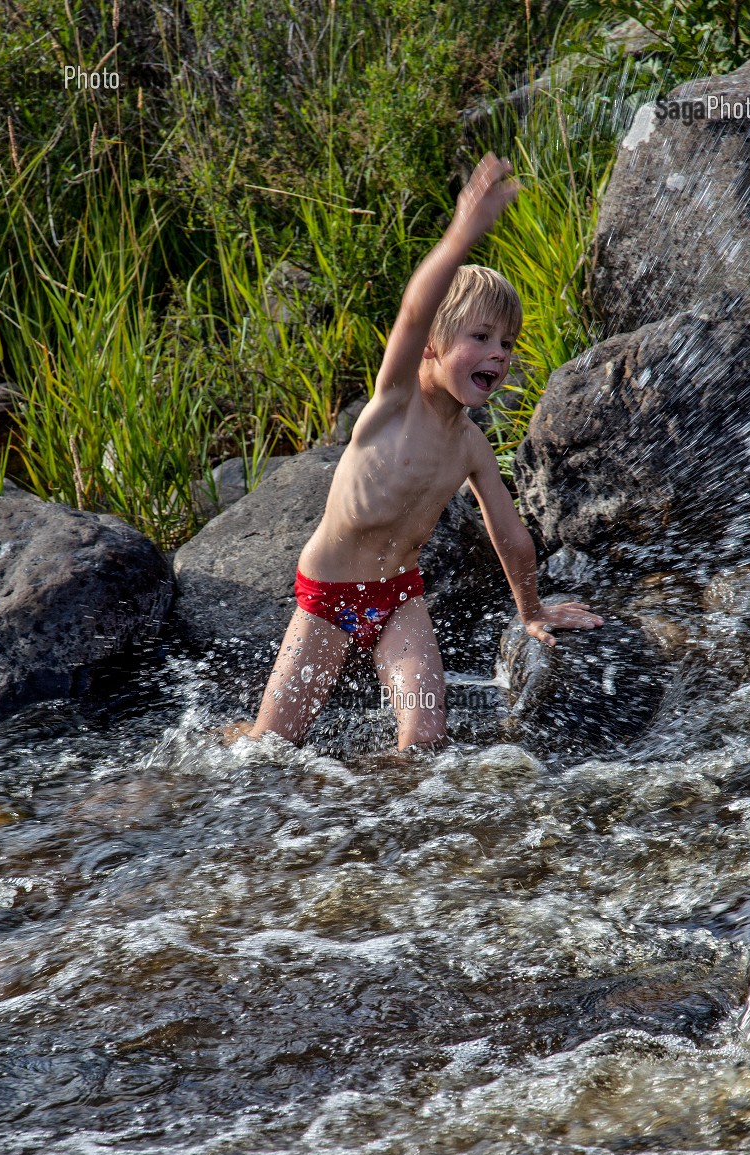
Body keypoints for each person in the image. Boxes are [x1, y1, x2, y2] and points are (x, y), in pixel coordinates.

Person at [225, 152, 603, 751]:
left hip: (399, 598)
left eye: (506, 343)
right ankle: (220, 744)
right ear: (432, 344)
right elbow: (411, 310)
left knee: (425, 737)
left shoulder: (471, 446)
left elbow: (508, 531)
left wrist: (531, 611)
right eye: (479, 337)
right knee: (269, 746)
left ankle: (393, 826)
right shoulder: (394, 401)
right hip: (326, 601)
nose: (498, 354)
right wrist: (461, 234)